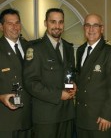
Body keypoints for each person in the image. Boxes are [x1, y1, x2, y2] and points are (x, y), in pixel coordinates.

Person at [23, 8, 76, 138]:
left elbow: (70, 74)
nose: (57, 26)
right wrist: (58, 94)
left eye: (61, 22)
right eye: (53, 22)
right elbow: (31, 83)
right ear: (45, 23)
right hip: (46, 117)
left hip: (67, 114)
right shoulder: (35, 48)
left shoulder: (69, 48)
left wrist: (74, 84)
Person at [76, 13, 111, 138]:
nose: (91, 29)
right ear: (84, 28)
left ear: (102, 29)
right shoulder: (80, 50)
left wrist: (107, 115)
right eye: (87, 25)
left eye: (95, 25)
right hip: (82, 118)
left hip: (101, 119)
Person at [0, 8, 31, 138]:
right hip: (6, 120)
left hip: (28, 118)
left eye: (17, 23)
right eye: (10, 23)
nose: (15, 27)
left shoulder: (29, 47)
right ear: (1, 26)